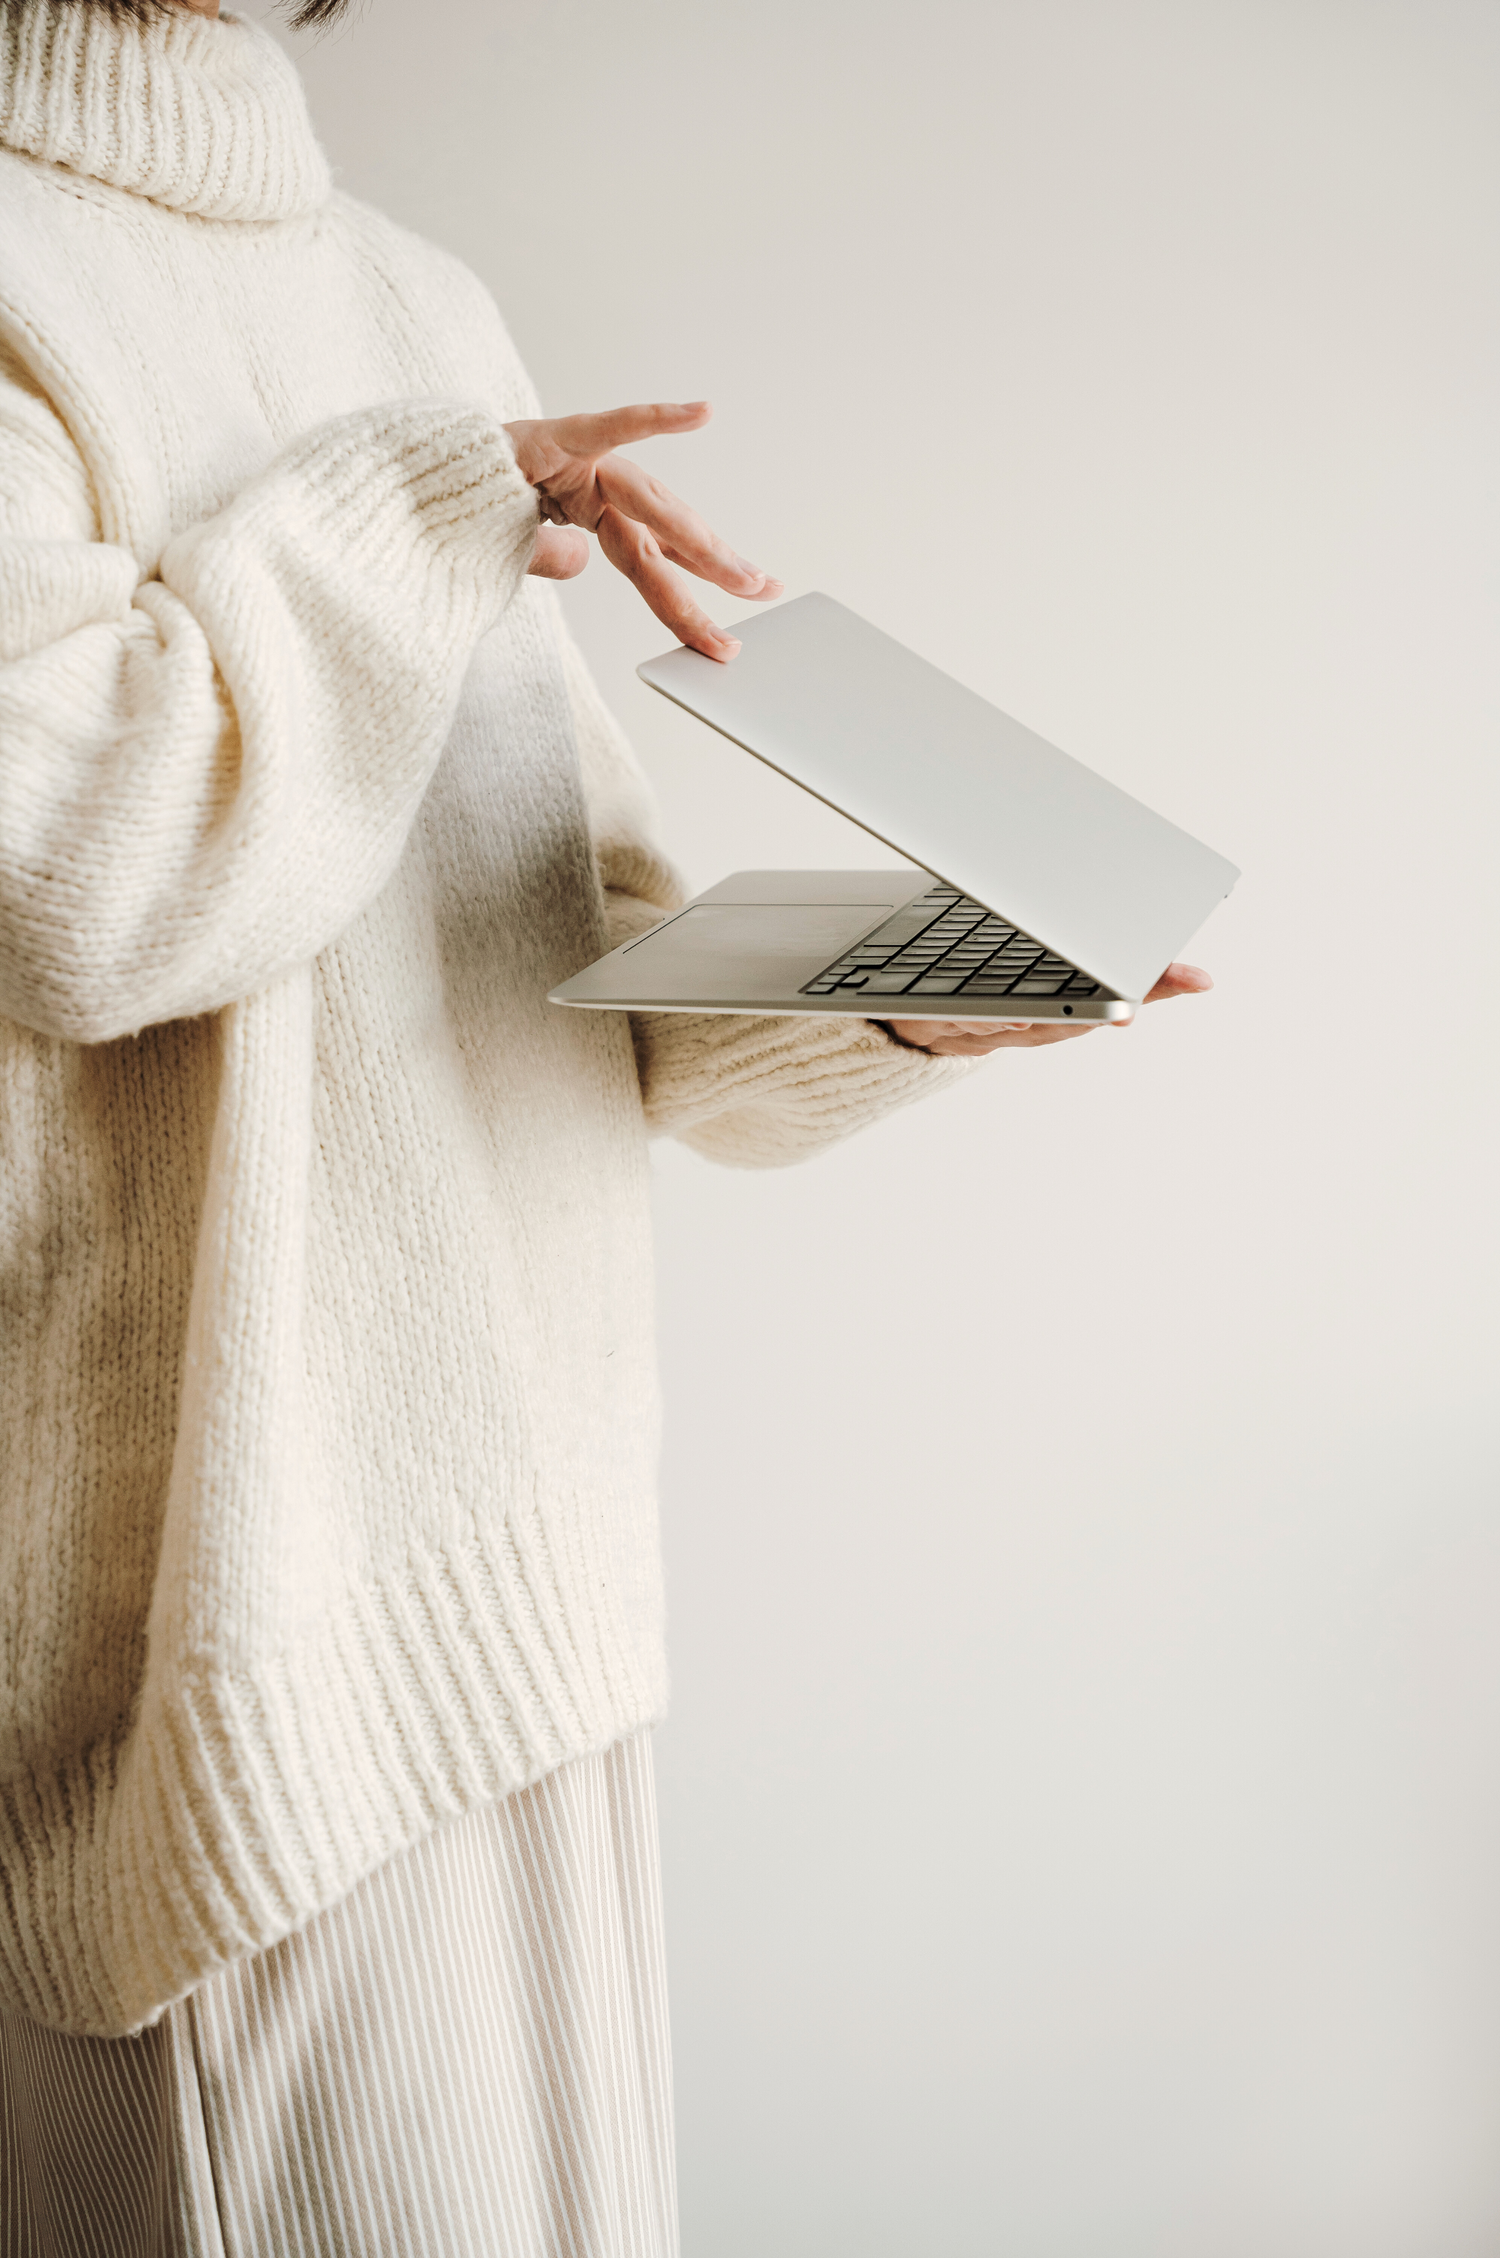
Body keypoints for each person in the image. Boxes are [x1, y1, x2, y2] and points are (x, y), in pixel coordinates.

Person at [0, 0, 1210, 2248]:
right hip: (229, 1643)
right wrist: (417, 502)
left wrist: (916, 991)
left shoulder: (422, 296)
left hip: (528, 1582)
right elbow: (85, 880)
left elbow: (561, 947)